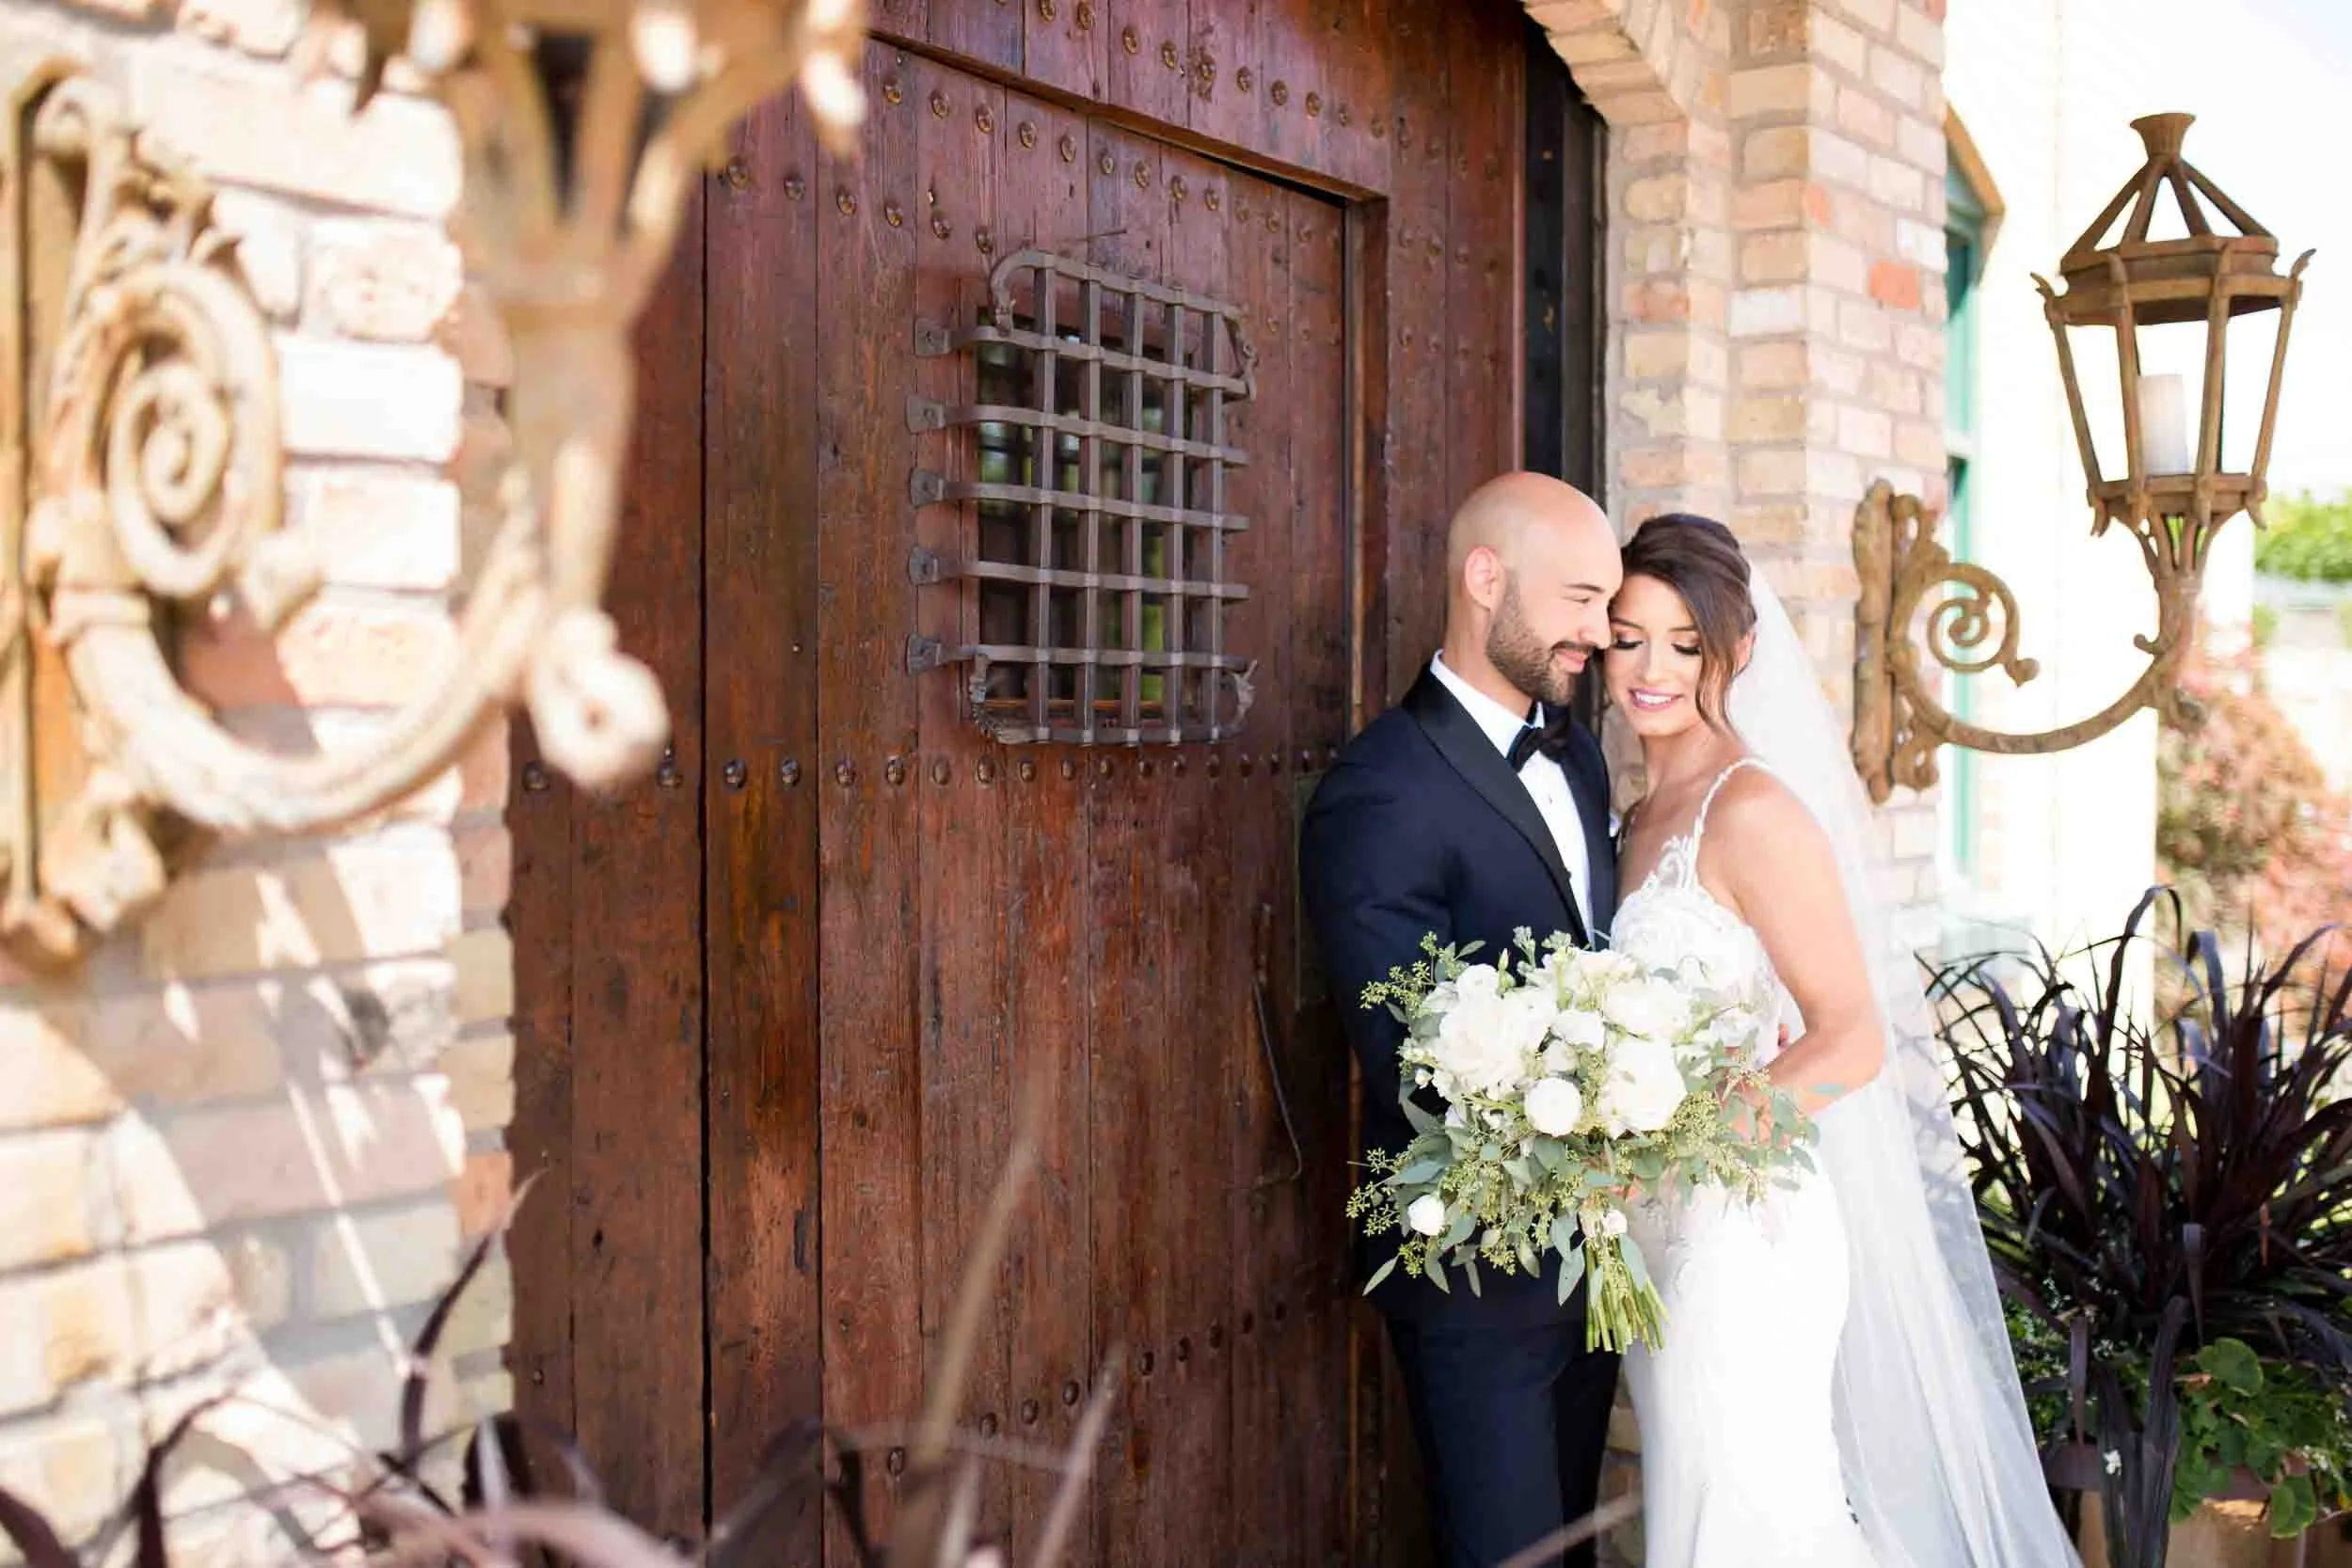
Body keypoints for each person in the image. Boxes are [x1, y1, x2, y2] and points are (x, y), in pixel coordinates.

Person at [1602, 513, 2080, 1568]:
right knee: (1691, 1498)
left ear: (1737, 651)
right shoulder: (1636, 813)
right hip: (1654, 1230)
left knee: (1753, 1510)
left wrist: (1683, 1146)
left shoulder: (1752, 807)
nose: (1650, 667)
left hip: (1742, 1233)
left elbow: (1850, 1036)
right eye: (1628, 635)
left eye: (1685, 644)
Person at [1300, 471, 1624, 1568]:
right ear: (1486, 579)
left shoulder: (1574, 753)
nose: (1601, 630)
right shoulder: (1381, 787)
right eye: (1580, 597)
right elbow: (1412, 1063)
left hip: (1593, 1267)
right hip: (1474, 1286)